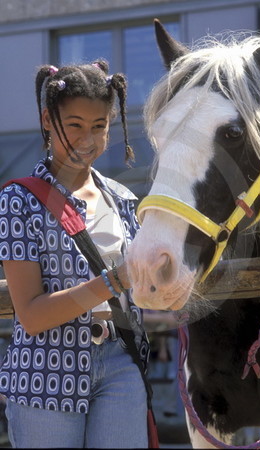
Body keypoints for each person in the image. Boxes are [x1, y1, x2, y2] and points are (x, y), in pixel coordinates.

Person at [0, 60, 150, 448]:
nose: (88, 139)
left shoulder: (123, 199)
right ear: (48, 121)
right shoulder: (18, 200)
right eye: (75, 125)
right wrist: (114, 280)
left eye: (99, 127)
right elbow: (31, 316)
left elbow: (141, 293)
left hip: (122, 362)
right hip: (46, 371)